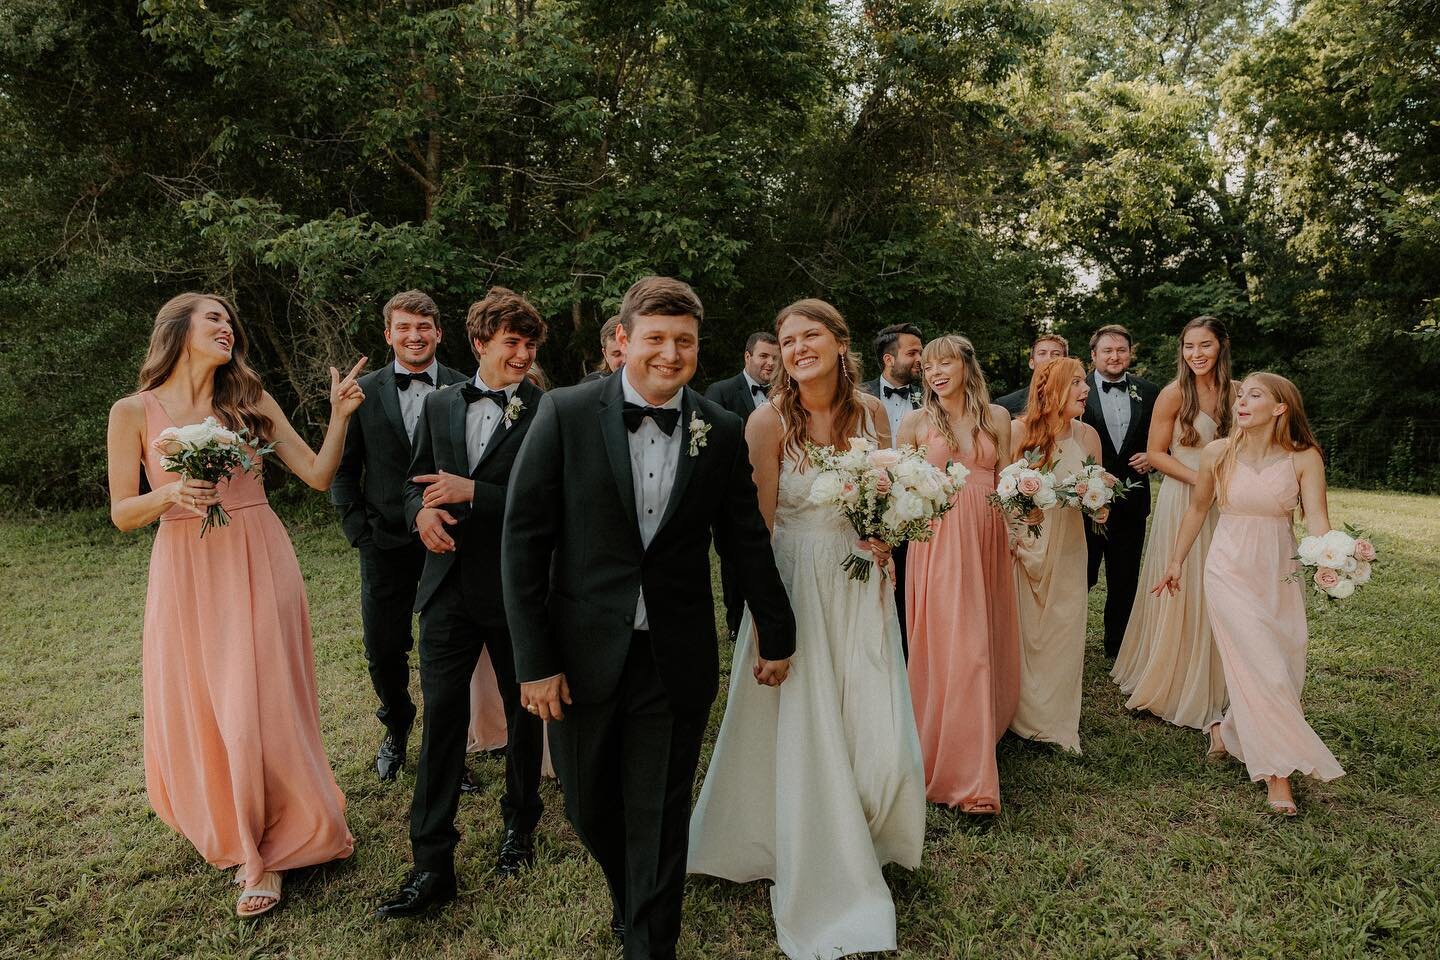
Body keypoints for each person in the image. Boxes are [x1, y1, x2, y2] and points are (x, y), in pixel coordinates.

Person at [502, 276, 796, 960]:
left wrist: (776, 632)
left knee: (660, 814)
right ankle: (631, 895)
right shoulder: (566, 414)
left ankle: (649, 941)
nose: (670, 354)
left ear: (698, 348)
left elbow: (744, 539)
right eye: (656, 339)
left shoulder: (719, 431)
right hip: (578, 656)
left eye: (684, 342)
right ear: (622, 342)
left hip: (675, 654)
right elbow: (523, 543)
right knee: (588, 806)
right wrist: (534, 661)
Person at [106, 292, 363, 918]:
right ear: (178, 329)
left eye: (230, 320)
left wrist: (340, 416)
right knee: (212, 702)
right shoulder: (132, 411)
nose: (227, 327)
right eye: (213, 318)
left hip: (258, 553)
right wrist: (172, 494)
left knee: (260, 702)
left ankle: (265, 854)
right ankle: (238, 830)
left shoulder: (249, 401)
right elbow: (120, 513)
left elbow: (318, 476)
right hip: (187, 567)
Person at [689, 299, 926, 960]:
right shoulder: (766, 423)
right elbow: (755, 534)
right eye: (788, 339)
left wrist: (884, 542)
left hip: (861, 587)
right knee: (806, 722)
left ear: (839, 342)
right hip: (794, 587)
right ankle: (813, 844)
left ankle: (871, 829)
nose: (797, 348)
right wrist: (771, 627)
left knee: (873, 719)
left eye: (810, 335)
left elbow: (881, 505)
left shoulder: (875, 413)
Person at [377, 287, 548, 918]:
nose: (524, 355)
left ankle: (519, 826)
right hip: (446, 587)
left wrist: (473, 489)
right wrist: (420, 513)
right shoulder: (444, 403)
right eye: (512, 343)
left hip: (514, 589)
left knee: (522, 710)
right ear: (478, 344)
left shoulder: (545, 409)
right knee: (443, 720)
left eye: (531, 345)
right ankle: (431, 863)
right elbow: (412, 483)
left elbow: (547, 506)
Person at [1153, 373, 1344, 815]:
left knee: (1283, 663)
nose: (1242, 401)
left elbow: (1317, 519)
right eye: (1241, 395)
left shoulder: (1304, 458)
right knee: (1265, 668)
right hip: (1228, 570)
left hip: (1279, 573)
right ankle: (1278, 774)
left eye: (1254, 395)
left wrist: (1335, 560)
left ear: (1279, 408)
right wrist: (1177, 561)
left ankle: (1226, 730)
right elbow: (1199, 508)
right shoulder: (1218, 452)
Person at [332, 290, 466, 782]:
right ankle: (397, 724)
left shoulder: (465, 386)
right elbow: (343, 471)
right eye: (405, 327)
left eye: (424, 326)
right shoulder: (361, 393)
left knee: (445, 651)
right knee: (385, 649)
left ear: (439, 333)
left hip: (448, 544)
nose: (415, 335)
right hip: (383, 544)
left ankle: (443, 746)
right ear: (388, 334)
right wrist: (359, 532)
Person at [897, 335, 1020, 814]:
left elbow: (1007, 479)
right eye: (928, 366)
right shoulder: (915, 422)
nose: (935, 373)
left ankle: (978, 734)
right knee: (957, 644)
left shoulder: (997, 418)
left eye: (944, 363)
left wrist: (1023, 516)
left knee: (984, 639)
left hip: (987, 536)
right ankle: (970, 778)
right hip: (940, 541)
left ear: (967, 365)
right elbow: (900, 487)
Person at [1112, 317, 1234, 730]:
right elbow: (1157, 454)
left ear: (1221, 347)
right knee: (1183, 581)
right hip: (1184, 496)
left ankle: (1220, 676)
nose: (1196, 354)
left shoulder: (1237, 395)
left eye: (1205, 345)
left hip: (1226, 503)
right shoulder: (1172, 395)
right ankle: (1174, 675)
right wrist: (1203, 481)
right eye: (1188, 347)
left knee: (1219, 583)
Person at [1008, 357, 1103, 753]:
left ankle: (1057, 720)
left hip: (1069, 543)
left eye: (1084, 382)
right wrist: (1015, 533)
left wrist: (1100, 503)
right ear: (1052, 389)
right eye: (1077, 382)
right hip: (1026, 540)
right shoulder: (1017, 430)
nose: (1085, 389)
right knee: (1026, 629)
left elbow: (1097, 491)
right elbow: (1002, 490)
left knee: (1065, 627)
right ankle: (1020, 714)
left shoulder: (1088, 436)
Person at [1080, 324, 1160, 658]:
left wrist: (1155, 458)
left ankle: (1118, 648)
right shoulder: (1075, 389)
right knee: (1080, 577)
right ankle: (1068, 644)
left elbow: (1165, 436)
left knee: (1125, 578)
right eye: (1108, 351)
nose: (1115, 356)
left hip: (1131, 501)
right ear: (1094, 355)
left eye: (1121, 350)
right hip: (1083, 500)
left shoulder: (1151, 392)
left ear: (1130, 353)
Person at [705, 330, 781, 641]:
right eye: (764, 356)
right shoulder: (721, 392)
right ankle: (737, 620)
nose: (770, 363)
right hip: (734, 489)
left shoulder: (787, 393)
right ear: (747, 357)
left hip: (775, 487)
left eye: (775, 358)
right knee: (733, 556)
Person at [859, 322, 924, 656]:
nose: (920, 359)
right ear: (888, 359)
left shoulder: (931, 395)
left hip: (919, 505)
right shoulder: (858, 394)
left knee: (913, 583)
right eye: (913, 352)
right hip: (870, 503)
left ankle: (912, 652)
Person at [995, 334, 1068, 417]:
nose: (1049, 358)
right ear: (1031, 363)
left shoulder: (1080, 401)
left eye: (1056, 354)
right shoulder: (1004, 405)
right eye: (1042, 353)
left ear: (1066, 363)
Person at [581, 315, 626, 383]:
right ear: (605, 355)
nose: (625, 360)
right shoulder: (593, 387)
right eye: (617, 354)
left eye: (629, 352)